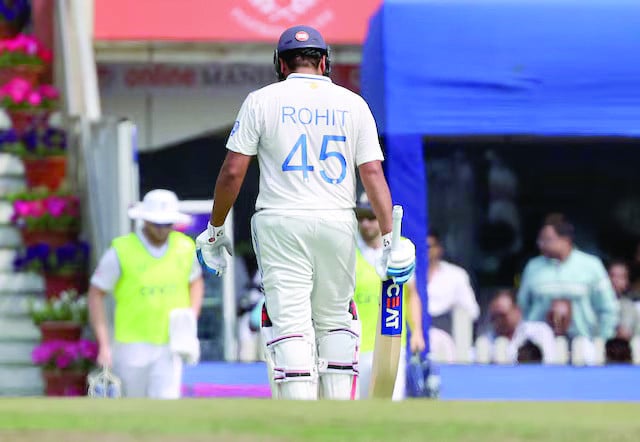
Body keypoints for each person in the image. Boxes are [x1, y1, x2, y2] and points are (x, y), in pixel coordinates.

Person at [195, 25, 416, 401]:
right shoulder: (353, 104)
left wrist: (214, 229)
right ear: (325, 62)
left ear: (281, 64)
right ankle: (338, 415)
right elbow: (373, 173)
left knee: (291, 323)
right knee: (334, 321)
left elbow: (233, 171)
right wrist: (390, 238)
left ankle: (300, 414)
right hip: (337, 219)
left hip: (280, 220)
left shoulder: (261, 100)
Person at [88, 189, 205, 398]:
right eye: (156, 224)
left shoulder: (184, 247)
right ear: (144, 221)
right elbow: (96, 293)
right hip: (130, 345)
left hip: (170, 343)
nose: (162, 230)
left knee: (167, 409)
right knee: (132, 409)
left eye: (167, 224)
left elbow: (195, 282)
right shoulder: (121, 250)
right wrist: (104, 345)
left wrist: (190, 318)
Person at [352, 193, 425, 400]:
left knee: (389, 405)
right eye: (361, 217)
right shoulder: (348, 248)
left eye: (371, 217)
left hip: (391, 343)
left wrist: (417, 331)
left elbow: (411, 295)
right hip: (356, 347)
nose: (366, 224)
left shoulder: (401, 248)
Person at [517, 213, 619, 340]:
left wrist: (603, 341)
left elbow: (608, 308)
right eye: (540, 240)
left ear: (566, 240)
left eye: (547, 239)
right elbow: (522, 307)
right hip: (539, 347)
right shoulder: (533, 267)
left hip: (584, 344)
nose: (541, 245)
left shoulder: (592, 265)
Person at [427, 229, 480, 335]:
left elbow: (473, 312)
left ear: (439, 248)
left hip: (450, 339)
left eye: (429, 246)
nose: (425, 251)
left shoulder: (457, 275)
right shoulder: (408, 275)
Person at [482, 289, 556, 364]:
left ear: (517, 311)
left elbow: (549, 363)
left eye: (502, 315)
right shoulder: (486, 340)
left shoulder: (540, 331)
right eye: (494, 317)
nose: (498, 320)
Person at [607, 259, 640, 340]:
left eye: (621, 277)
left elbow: (627, 334)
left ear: (627, 282)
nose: (615, 280)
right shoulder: (595, 304)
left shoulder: (630, 306)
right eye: (612, 275)